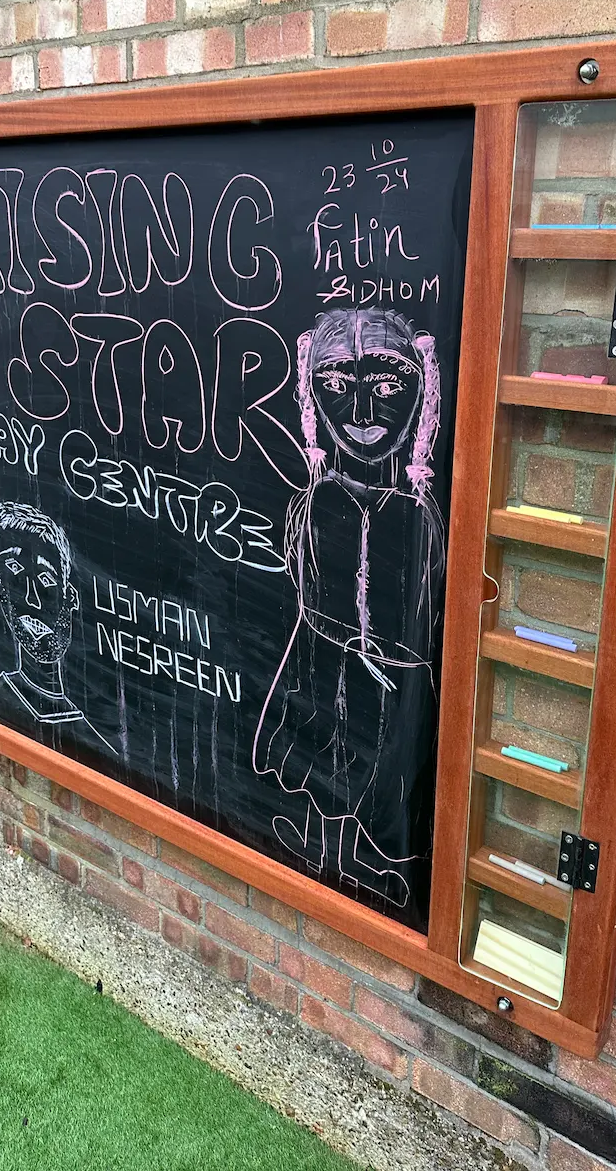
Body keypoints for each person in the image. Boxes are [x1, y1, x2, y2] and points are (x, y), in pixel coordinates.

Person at [253, 309, 445, 909]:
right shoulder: (314, 502)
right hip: (321, 667)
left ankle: (371, 861)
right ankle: (323, 848)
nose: (363, 414)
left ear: (420, 392)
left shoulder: (419, 516)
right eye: (337, 388)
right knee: (320, 780)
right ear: (313, 396)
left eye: (388, 386)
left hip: (395, 683)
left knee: (382, 790)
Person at [0, 501, 117, 756]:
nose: (32, 599)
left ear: (70, 596)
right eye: (14, 568)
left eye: (46, 579)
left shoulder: (102, 746)